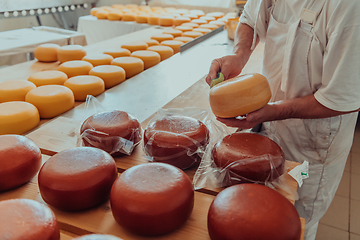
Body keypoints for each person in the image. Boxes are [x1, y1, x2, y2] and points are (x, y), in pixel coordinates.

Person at [206, 0, 360, 239]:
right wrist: (239, 54)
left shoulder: (349, 8)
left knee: (296, 219)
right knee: (262, 212)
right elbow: (250, 17)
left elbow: (339, 99)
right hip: (270, 126)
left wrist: (274, 111)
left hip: (313, 145)